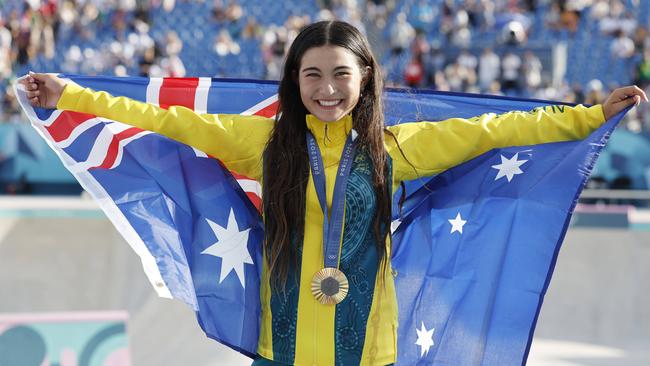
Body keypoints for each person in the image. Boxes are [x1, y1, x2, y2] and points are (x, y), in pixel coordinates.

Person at [21, 20, 647, 366]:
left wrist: (587, 117)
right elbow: (167, 119)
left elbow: (492, 131)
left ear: (366, 77)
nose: (326, 89)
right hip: (282, 347)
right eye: (311, 75)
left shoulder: (394, 150)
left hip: (369, 352)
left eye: (340, 75)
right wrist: (71, 96)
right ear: (293, 80)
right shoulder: (260, 143)